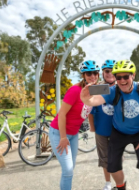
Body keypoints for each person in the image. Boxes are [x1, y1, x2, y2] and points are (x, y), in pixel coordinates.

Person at [80, 60, 139, 190]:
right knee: (112, 165)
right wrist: (85, 98)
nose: (122, 80)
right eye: (119, 77)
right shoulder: (113, 90)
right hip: (119, 132)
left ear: (133, 75)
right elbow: (94, 101)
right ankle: (121, 187)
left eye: (126, 76)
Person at [49, 60, 100, 190]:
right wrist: (62, 137)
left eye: (95, 73)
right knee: (68, 170)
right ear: (83, 75)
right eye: (89, 73)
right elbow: (61, 114)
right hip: (59, 133)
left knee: (71, 169)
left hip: (73, 134)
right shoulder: (75, 90)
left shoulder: (94, 91)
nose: (93, 76)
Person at [88, 59, 116, 190]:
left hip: (118, 130)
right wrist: (92, 127)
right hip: (101, 129)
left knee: (116, 158)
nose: (110, 74)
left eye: (112, 71)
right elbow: (90, 109)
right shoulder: (97, 88)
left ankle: (119, 182)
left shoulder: (121, 87)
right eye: (107, 71)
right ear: (103, 73)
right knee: (104, 158)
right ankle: (108, 183)